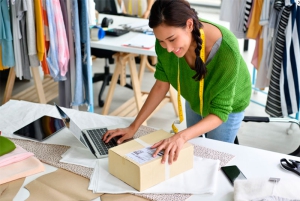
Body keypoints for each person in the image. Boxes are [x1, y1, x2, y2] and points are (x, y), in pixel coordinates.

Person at [103, 0, 251, 165]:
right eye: (161, 41)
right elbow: (161, 85)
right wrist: (133, 127)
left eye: (172, 39)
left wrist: (181, 135)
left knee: (215, 159)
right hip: (195, 98)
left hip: (227, 107)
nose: (168, 49)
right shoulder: (166, 44)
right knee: (192, 151)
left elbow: (220, 111)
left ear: (189, 25)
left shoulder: (226, 50)